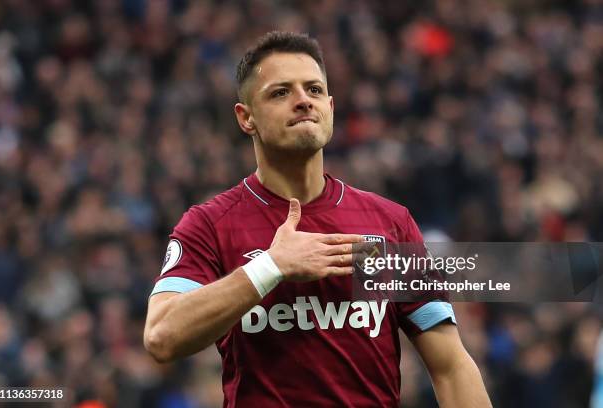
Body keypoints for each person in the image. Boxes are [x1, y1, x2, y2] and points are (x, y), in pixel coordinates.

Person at [143, 31, 491, 407]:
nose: (303, 101)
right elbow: (162, 337)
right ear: (246, 118)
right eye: (280, 92)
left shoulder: (388, 223)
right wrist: (271, 267)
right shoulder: (210, 225)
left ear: (330, 106)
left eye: (313, 89)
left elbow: (451, 366)